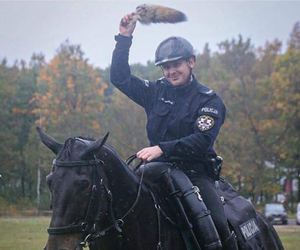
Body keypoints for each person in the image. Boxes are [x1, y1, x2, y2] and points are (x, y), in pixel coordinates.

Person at [110, 13, 238, 250]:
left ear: (191, 62)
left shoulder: (208, 100)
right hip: (155, 173)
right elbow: (119, 78)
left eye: (176, 65)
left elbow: (201, 141)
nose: (170, 72)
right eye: (165, 67)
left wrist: (161, 148)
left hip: (196, 175)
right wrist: (124, 38)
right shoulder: (155, 91)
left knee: (218, 224)